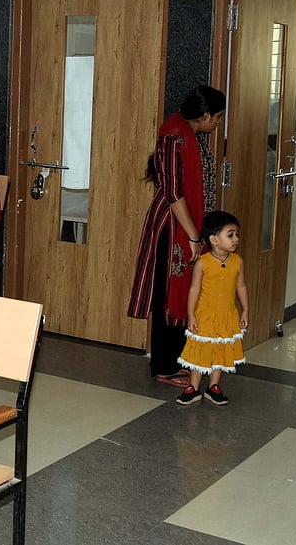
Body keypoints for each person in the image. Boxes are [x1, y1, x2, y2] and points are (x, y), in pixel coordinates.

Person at [127, 85, 226, 388]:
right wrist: (194, 235)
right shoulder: (173, 135)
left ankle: (178, 359)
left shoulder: (190, 135)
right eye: (218, 117)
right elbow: (172, 191)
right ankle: (164, 366)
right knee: (168, 295)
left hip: (187, 225)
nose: (218, 122)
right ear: (205, 114)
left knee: (185, 291)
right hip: (171, 227)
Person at [175, 210, 249, 406]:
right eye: (230, 234)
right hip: (204, 316)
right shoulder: (203, 262)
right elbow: (194, 290)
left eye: (237, 235)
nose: (236, 239)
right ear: (214, 239)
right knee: (201, 349)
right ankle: (193, 387)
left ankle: (214, 386)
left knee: (221, 349)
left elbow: (241, 286)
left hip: (227, 315)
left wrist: (245, 310)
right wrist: (191, 315)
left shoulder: (237, 262)